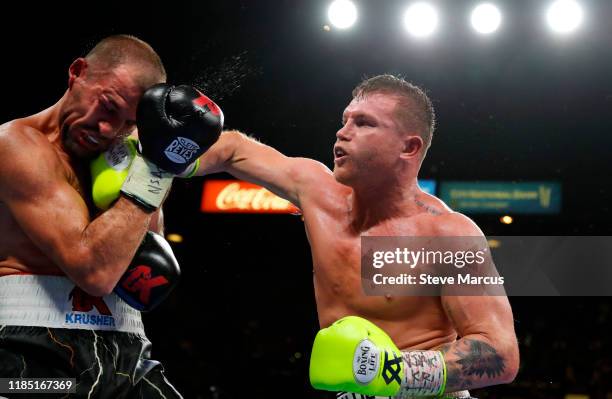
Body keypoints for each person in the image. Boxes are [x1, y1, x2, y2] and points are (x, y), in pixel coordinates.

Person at [195, 75, 519, 398]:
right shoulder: (316, 191)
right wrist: (166, 153)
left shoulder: (446, 235)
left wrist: (390, 373)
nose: (342, 132)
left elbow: (500, 354)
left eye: (364, 123)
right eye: (344, 120)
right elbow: (234, 150)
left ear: (409, 147)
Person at [0, 34, 222, 398]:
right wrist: (155, 170)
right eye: (107, 106)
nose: (108, 130)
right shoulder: (16, 146)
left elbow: (142, 252)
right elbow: (95, 271)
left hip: (128, 350)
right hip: (32, 355)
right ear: (77, 72)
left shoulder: (128, 156)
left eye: (126, 122)